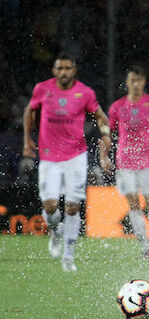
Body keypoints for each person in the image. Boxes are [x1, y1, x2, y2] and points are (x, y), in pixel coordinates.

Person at [23, 52, 111, 272]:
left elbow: (100, 116)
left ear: (74, 70)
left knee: (73, 207)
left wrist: (106, 134)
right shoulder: (42, 89)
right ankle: (55, 231)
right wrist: (26, 139)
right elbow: (29, 111)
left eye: (67, 68)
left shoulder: (85, 92)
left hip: (75, 156)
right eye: (60, 68)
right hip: (49, 157)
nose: (64, 72)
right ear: (54, 71)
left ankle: (68, 256)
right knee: (50, 206)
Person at [102, 66, 149, 258]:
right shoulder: (117, 107)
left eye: (139, 81)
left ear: (144, 82)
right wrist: (103, 155)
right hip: (125, 162)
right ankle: (145, 248)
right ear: (127, 82)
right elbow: (107, 134)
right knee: (133, 203)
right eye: (132, 80)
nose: (135, 84)